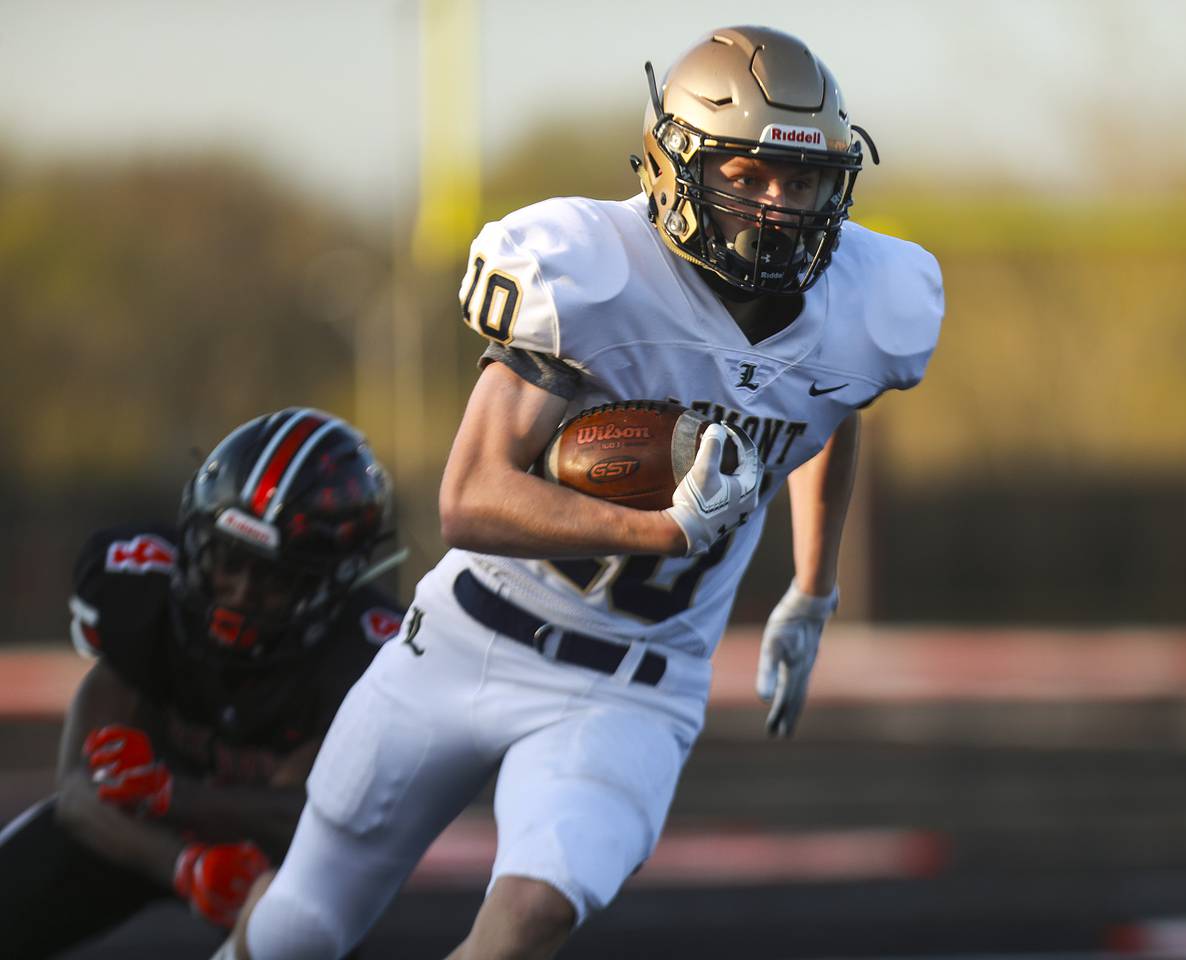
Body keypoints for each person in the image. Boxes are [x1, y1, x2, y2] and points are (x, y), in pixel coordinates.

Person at [224, 25, 943, 960]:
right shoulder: (590, 271)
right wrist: (665, 533)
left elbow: (834, 407)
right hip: (467, 640)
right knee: (296, 926)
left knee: (530, 918)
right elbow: (469, 497)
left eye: (799, 179)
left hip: (634, 687)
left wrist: (813, 587)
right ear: (675, 163)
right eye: (746, 174)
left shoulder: (868, 304)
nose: (777, 206)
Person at [0, 408, 404, 958]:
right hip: (132, 837)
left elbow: (315, 824)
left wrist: (172, 793)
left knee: (303, 931)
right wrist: (183, 864)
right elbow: (78, 791)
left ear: (330, 585)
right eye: (226, 560)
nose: (238, 592)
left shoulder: (367, 654)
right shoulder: (142, 591)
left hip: (269, 863)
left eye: (274, 578)